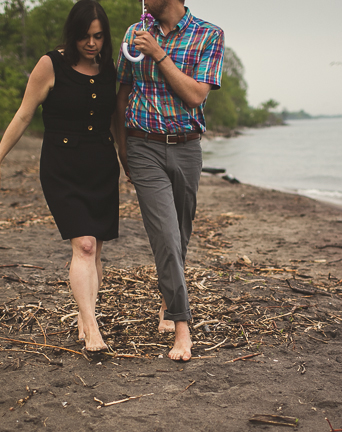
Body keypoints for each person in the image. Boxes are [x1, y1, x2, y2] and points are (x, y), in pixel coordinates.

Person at [0, 0, 119, 352]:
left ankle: (84, 315)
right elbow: (23, 115)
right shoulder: (51, 63)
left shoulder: (110, 68)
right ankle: (91, 328)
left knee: (96, 251)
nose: (92, 44)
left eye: (99, 37)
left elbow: (116, 122)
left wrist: (129, 164)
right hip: (62, 165)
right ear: (72, 34)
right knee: (85, 245)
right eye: (85, 37)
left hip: (102, 164)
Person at [115, 0, 224, 362]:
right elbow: (123, 92)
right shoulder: (134, 33)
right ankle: (182, 327)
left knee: (179, 234)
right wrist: (121, 147)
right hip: (142, 145)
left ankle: (167, 299)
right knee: (164, 233)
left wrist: (159, 53)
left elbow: (195, 95)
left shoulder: (208, 35)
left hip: (187, 148)